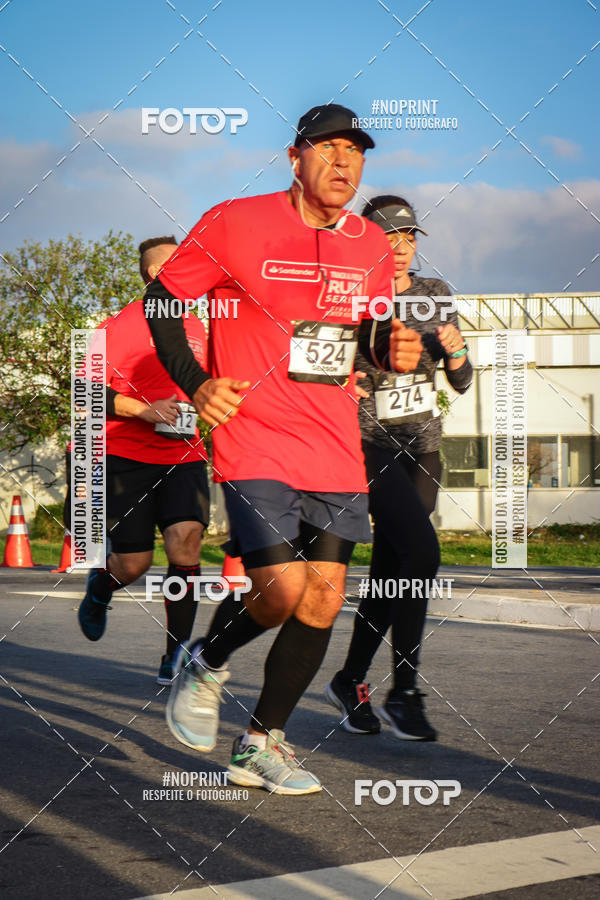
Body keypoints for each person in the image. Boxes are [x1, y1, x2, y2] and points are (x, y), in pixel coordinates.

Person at [143, 105, 423, 794]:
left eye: (355, 151)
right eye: (328, 148)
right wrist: (197, 383)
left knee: (323, 599)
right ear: (294, 158)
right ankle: (205, 660)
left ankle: (261, 744)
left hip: (333, 441)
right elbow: (162, 300)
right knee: (279, 591)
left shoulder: (368, 243)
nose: (343, 161)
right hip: (255, 432)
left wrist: (390, 347)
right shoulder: (235, 221)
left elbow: (366, 335)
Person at [326, 195, 473, 741]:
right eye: (391, 236)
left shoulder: (434, 294)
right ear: (367, 241)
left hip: (423, 447)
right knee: (421, 554)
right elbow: (318, 361)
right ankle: (403, 692)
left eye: (409, 236)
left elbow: (461, 381)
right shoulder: (350, 296)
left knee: (396, 568)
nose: (402, 246)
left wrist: (456, 353)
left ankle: (349, 680)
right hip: (368, 444)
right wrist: (345, 379)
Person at [77, 236, 210, 686]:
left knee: (186, 543)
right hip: (126, 456)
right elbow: (85, 392)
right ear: (156, 274)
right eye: (180, 262)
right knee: (134, 564)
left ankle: (177, 652)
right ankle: (101, 587)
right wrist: (143, 410)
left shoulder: (198, 325)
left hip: (184, 453)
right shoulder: (117, 326)